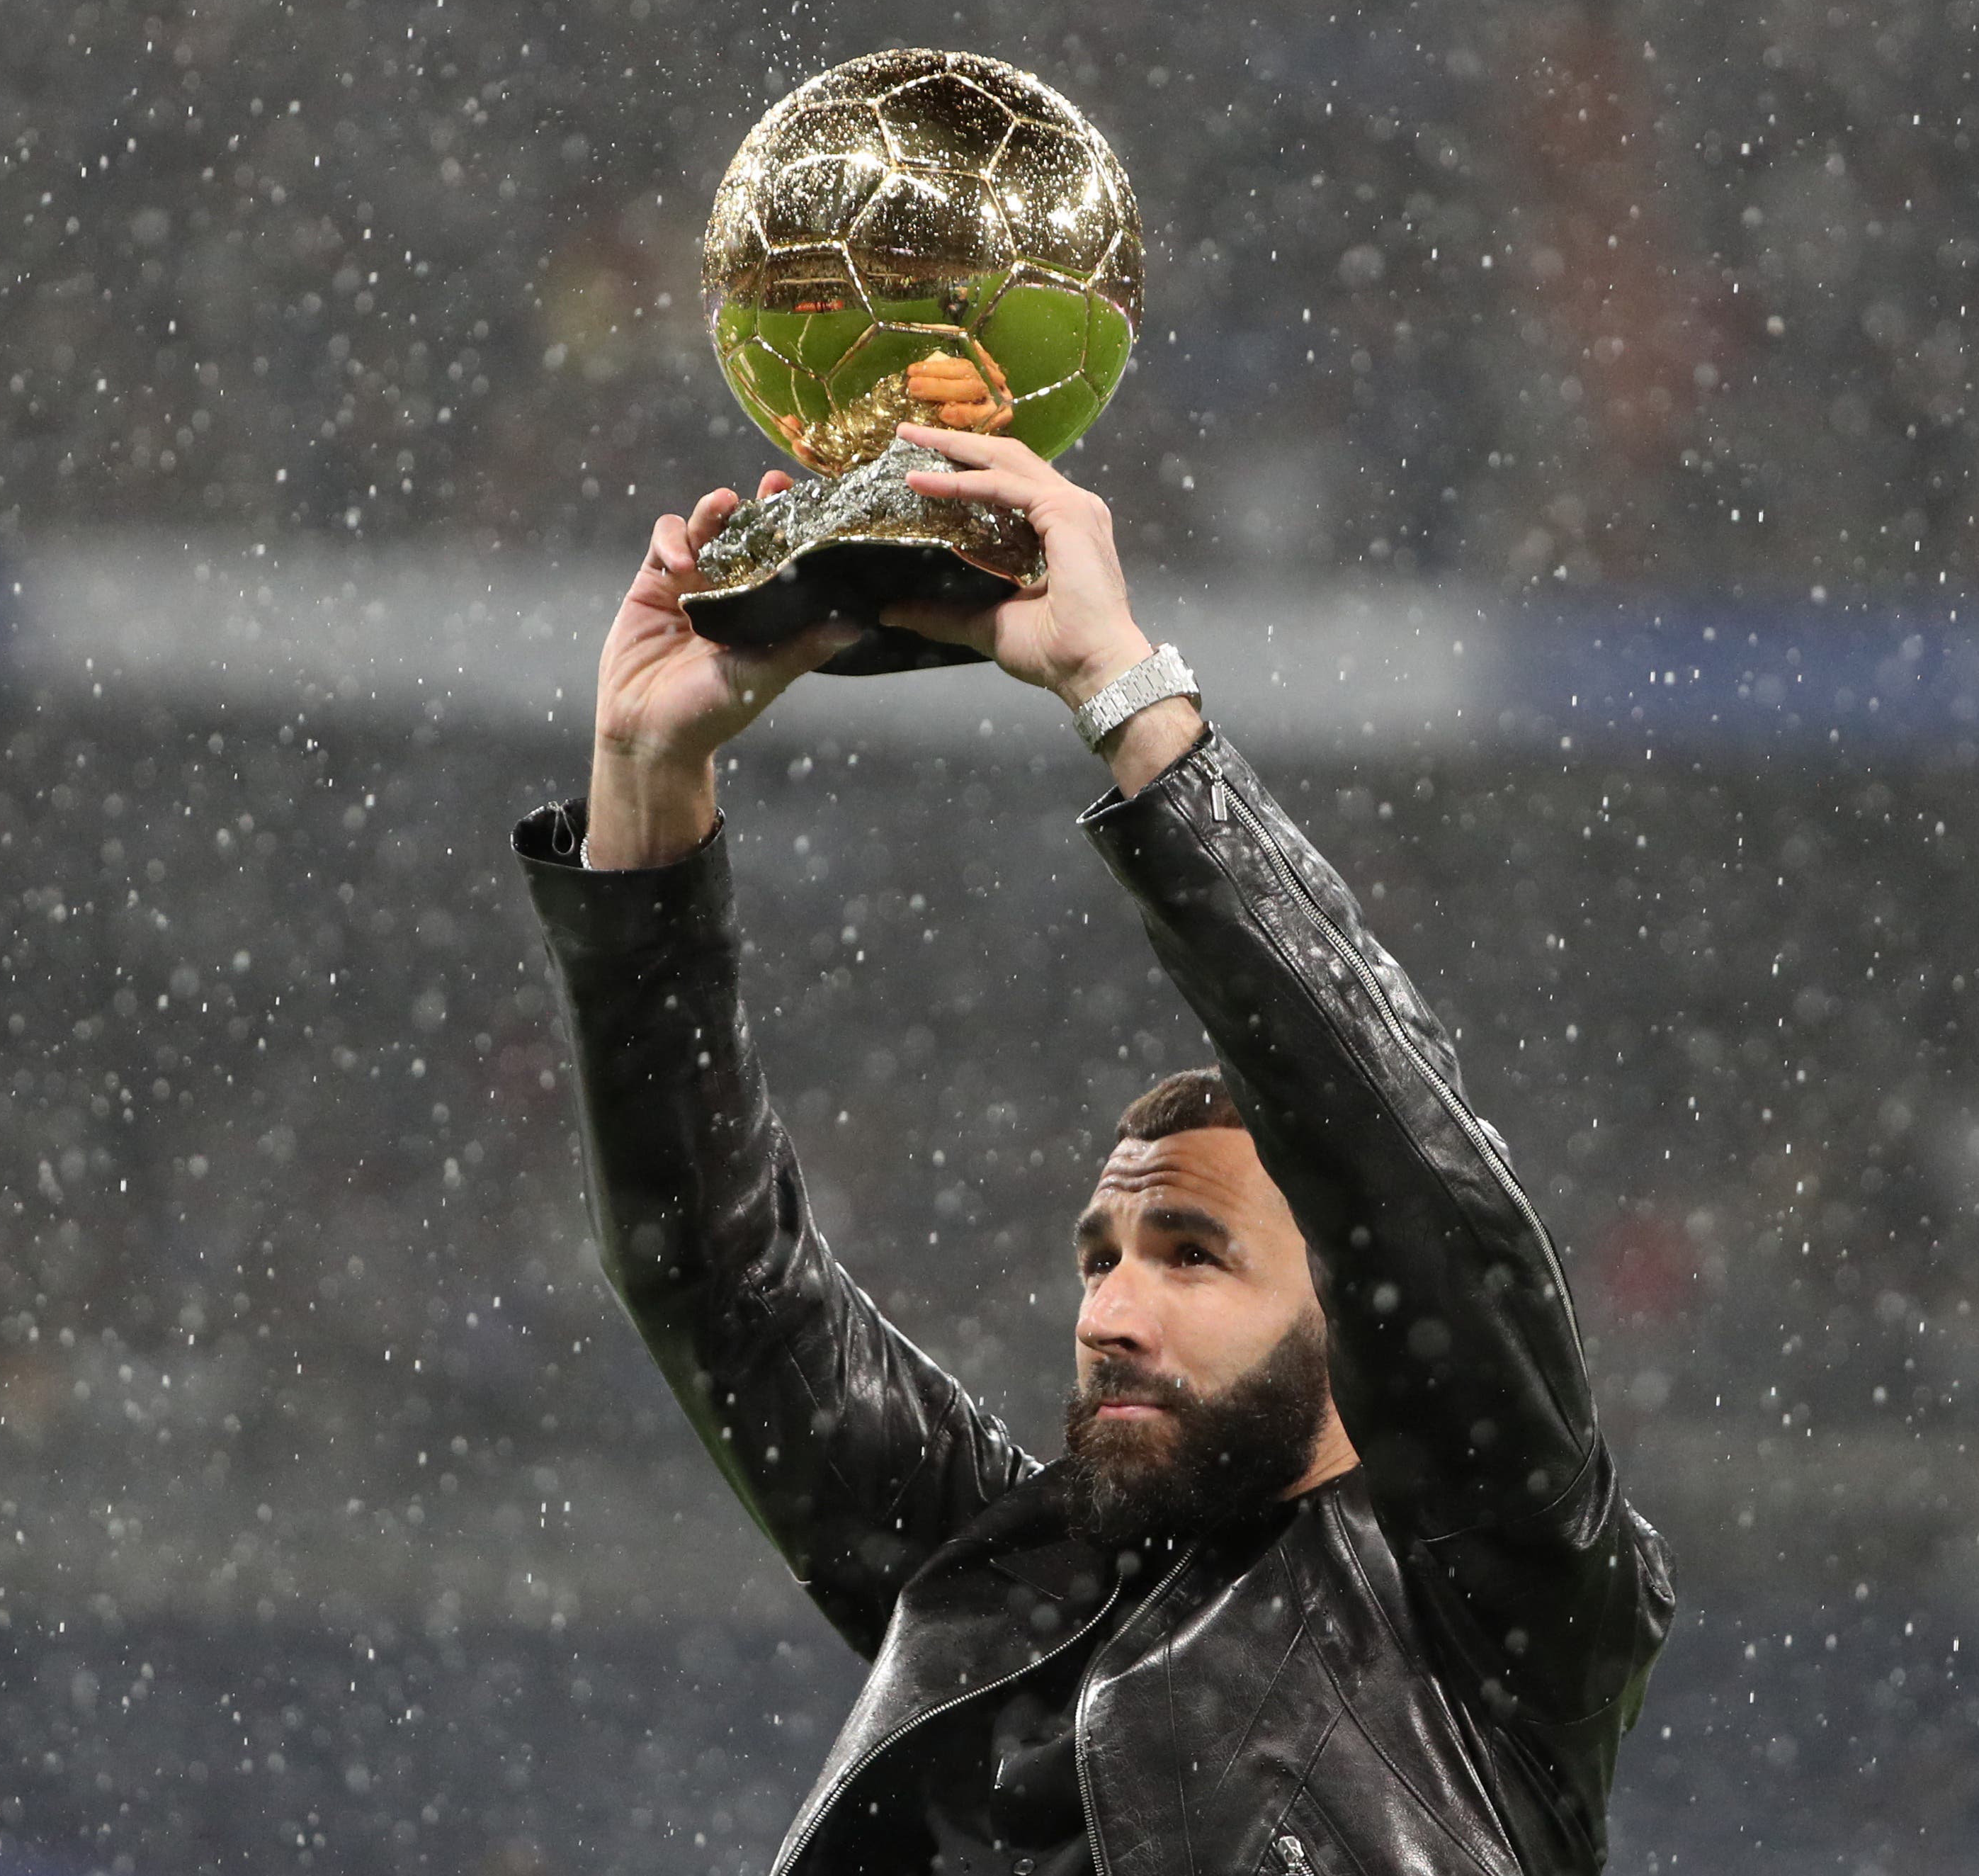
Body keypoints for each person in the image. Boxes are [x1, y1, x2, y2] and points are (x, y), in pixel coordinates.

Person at [511, 422, 1673, 1875]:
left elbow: (1403, 1168)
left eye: (1192, 1255)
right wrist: (646, 772)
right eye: (1100, 1258)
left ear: (1358, 1309)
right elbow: (715, 1273)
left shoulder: (1495, 1603)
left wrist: (1119, 690)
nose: (1109, 1315)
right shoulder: (1008, 1592)